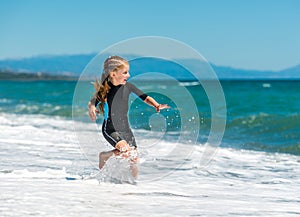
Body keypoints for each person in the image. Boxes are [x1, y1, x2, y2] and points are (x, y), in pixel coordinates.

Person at [88, 55, 169, 177]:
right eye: (125, 72)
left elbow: (145, 97)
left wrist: (156, 105)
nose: (128, 75)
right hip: (110, 129)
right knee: (126, 151)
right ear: (113, 73)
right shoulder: (106, 90)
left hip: (125, 128)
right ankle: (104, 156)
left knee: (134, 157)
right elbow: (92, 102)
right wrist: (92, 108)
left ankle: (134, 184)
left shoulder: (128, 87)